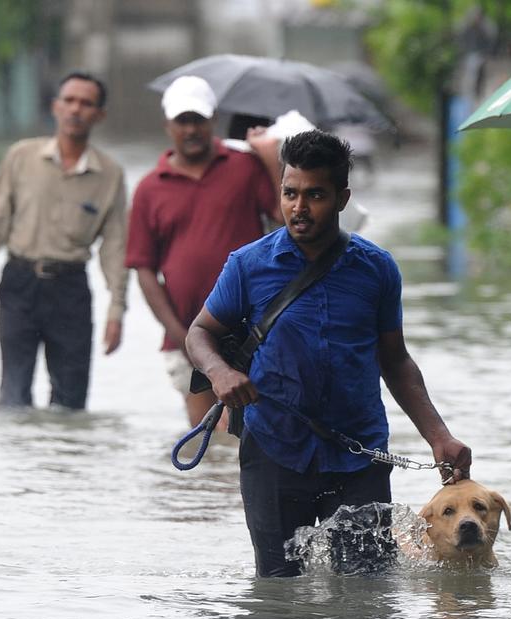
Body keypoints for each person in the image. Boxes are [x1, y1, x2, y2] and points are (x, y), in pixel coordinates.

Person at [186, 130, 472, 577]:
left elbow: (394, 360)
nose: (299, 208)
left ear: (342, 198)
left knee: (367, 591)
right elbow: (199, 333)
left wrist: (439, 437)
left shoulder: (376, 269)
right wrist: (220, 372)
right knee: (277, 590)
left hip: (359, 456)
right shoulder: (247, 265)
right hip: (274, 451)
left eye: (315, 195)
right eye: (290, 193)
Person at [126, 75, 282, 426]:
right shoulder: (150, 188)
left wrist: (271, 160)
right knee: (203, 437)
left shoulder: (244, 167)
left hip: (249, 331)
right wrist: (183, 338)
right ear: (168, 125)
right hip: (184, 333)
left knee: (239, 437)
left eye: (198, 120)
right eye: (183, 121)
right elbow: (144, 269)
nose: (191, 129)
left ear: (212, 121)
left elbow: (283, 217)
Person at [0, 71, 128, 410]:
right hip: (19, 282)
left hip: (70, 289)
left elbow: (115, 247)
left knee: (71, 402)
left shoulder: (109, 174)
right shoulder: (22, 158)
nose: (75, 110)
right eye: (69, 101)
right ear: (55, 107)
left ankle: (63, 461)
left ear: (99, 115)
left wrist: (117, 308)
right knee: (13, 396)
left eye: (86, 104)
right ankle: (19, 462)